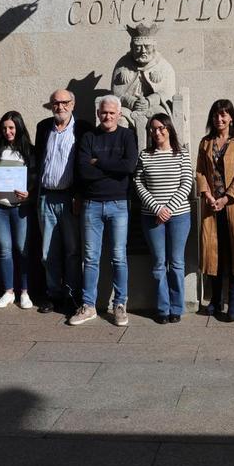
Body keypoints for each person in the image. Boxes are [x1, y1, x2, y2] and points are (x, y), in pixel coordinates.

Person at [68, 95, 138, 326]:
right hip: (91, 204)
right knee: (90, 258)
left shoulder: (127, 136)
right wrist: (111, 168)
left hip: (118, 204)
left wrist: (99, 162)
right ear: (98, 114)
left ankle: (120, 304)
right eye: (103, 112)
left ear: (119, 114)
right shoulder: (88, 137)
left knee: (119, 257)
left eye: (111, 113)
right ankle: (88, 306)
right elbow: (83, 171)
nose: (107, 116)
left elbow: (128, 167)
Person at [196, 99, 234, 322]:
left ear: (231, 117)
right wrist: (208, 195)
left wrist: (225, 198)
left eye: (223, 115)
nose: (219, 119)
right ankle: (215, 300)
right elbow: (200, 172)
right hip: (212, 207)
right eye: (215, 115)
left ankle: (232, 301)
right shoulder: (206, 142)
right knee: (215, 253)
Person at [34, 89, 93, 312]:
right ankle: (53, 294)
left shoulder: (83, 128)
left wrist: (79, 194)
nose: (60, 107)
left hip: (70, 197)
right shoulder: (43, 127)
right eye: (55, 103)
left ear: (73, 104)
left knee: (72, 250)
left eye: (64, 102)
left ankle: (71, 294)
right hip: (46, 197)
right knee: (48, 252)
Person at [134, 113, 193, 324]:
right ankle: (162, 308)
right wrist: (157, 208)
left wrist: (168, 208)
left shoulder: (182, 154)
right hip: (152, 217)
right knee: (159, 264)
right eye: (153, 128)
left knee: (176, 263)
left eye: (161, 127)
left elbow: (187, 183)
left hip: (179, 216)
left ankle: (177, 307)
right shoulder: (145, 155)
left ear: (169, 128)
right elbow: (139, 183)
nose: (157, 132)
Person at [0, 111, 38, 310]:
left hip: (21, 207)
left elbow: (34, 178)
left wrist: (29, 193)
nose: (7, 131)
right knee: (4, 250)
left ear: (19, 128)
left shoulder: (29, 151)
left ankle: (24, 291)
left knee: (22, 250)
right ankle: (8, 291)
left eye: (12, 127)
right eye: (4, 128)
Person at [111, 22, 177, 149]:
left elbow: (168, 92)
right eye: (138, 47)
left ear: (154, 47)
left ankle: (157, 155)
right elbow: (116, 95)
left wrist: (150, 101)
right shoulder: (122, 65)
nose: (143, 51)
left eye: (147, 47)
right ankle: (126, 158)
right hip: (128, 109)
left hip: (155, 107)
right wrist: (131, 102)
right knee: (120, 122)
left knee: (161, 122)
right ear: (131, 47)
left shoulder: (163, 66)